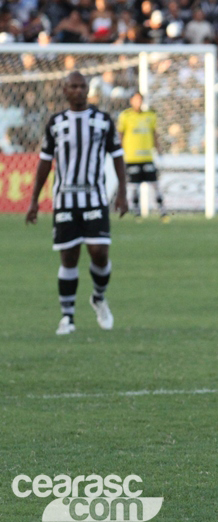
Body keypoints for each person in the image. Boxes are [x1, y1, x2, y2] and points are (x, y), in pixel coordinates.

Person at [25, 71, 128, 335]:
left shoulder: (103, 121)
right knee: (69, 257)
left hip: (95, 197)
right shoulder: (56, 123)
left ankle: (98, 297)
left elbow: (117, 156)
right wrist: (34, 200)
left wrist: (122, 193)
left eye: (83, 86)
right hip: (65, 200)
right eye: (73, 86)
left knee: (99, 252)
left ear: (87, 91)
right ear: (65, 90)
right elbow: (45, 163)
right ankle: (67, 318)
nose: (79, 90)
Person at [117, 92, 168, 220]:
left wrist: (158, 148)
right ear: (131, 101)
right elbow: (121, 134)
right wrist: (120, 151)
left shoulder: (150, 115)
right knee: (134, 186)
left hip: (147, 156)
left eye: (140, 100)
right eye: (136, 100)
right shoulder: (125, 116)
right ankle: (137, 212)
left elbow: (154, 133)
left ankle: (162, 211)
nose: (138, 102)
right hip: (132, 157)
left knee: (155, 184)